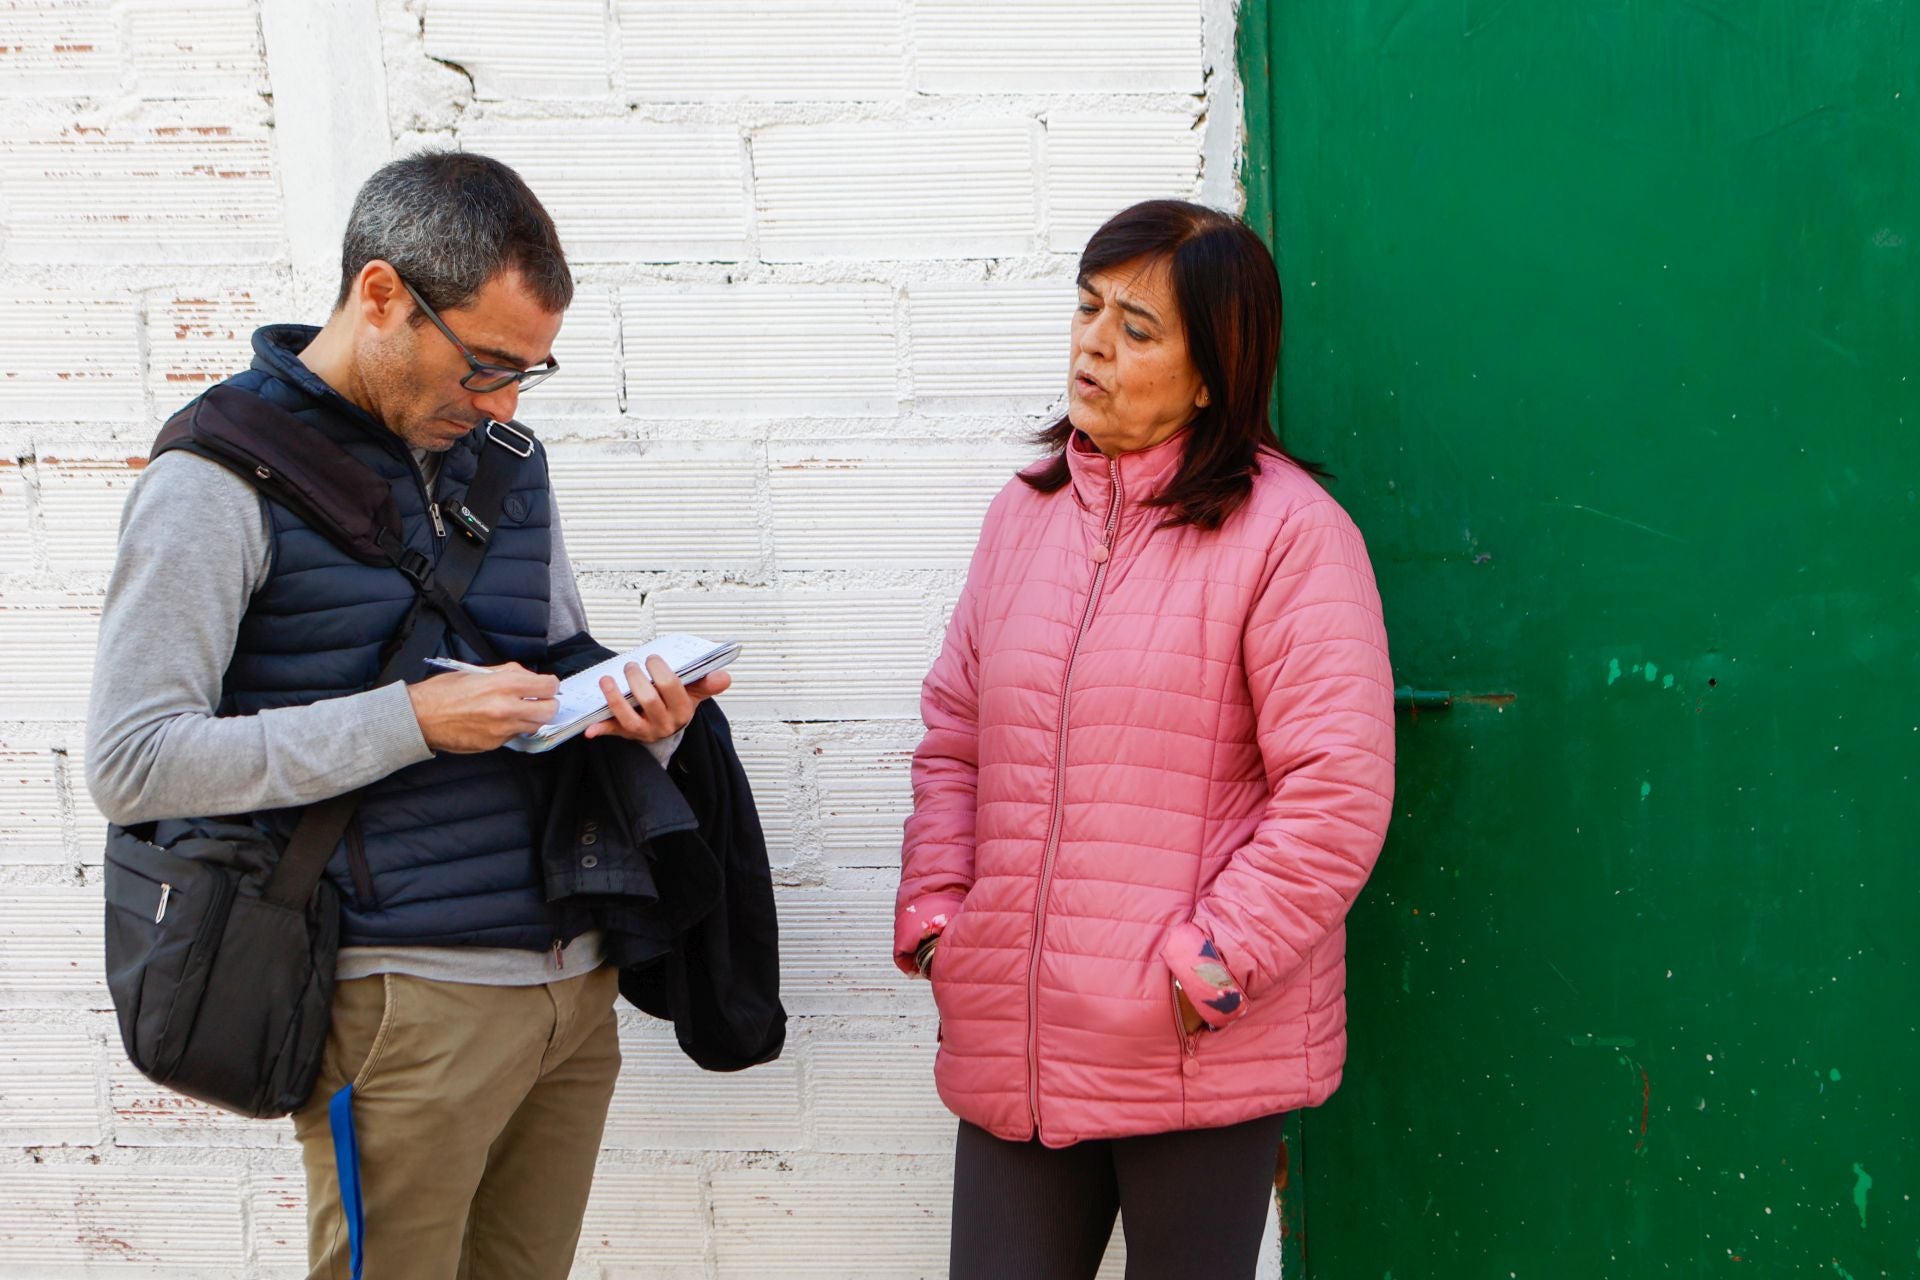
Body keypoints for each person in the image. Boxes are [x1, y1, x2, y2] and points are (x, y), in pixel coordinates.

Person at [86, 150, 729, 1280]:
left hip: (567, 990)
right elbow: (134, 761)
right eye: (485, 364)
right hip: (399, 1003)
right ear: (381, 295)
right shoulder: (214, 481)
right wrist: (410, 722)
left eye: (531, 371)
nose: (505, 403)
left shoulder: (505, 463)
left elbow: (545, 657)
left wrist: (641, 713)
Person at [895, 199, 1396, 1279]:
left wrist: (1204, 968)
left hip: (1190, 1049)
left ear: (1213, 371)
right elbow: (955, 740)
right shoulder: (1021, 518)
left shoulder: (1292, 535)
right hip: (1014, 1039)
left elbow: (1336, 794)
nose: (1093, 343)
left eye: (1136, 326)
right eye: (1087, 310)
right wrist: (943, 913)